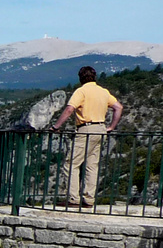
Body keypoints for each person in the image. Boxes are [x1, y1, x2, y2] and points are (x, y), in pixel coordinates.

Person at [49, 65, 122, 209]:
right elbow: (119, 107)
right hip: (101, 129)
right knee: (92, 165)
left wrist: (56, 126)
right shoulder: (103, 91)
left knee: (71, 164)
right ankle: (89, 199)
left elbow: (70, 109)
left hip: (86, 129)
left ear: (81, 78)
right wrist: (111, 127)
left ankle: (73, 199)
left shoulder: (81, 91)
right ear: (94, 77)